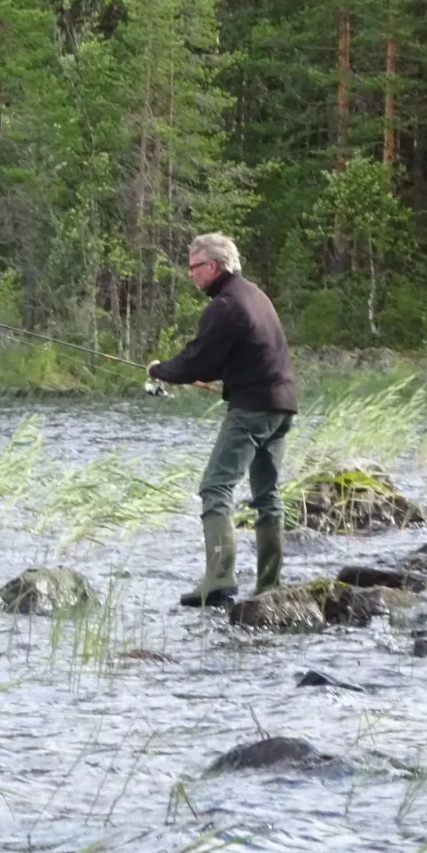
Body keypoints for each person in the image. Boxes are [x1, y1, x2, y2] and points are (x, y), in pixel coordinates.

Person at [147, 233, 297, 607]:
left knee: (215, 489)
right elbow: (225, 360)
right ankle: (269, 586)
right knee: (268, 496)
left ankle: (219, 581)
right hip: (282, 407)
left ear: (213, 267)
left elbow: (198, 361)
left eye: (194, 267)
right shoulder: (255, 296)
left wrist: (160, 370)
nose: (191, 275)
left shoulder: (225, 305)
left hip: (252, 410)